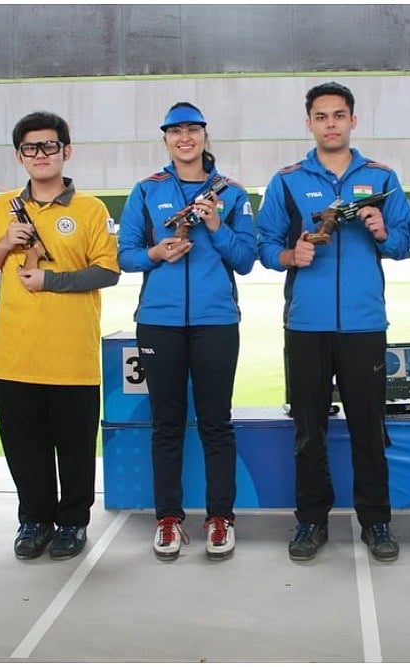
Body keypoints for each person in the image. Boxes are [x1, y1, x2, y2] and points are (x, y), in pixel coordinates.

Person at [256, 82, 410, 562]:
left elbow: (406, 242)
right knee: (309, 431)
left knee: (369, 429)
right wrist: (291, 255)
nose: (331, 124)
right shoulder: (286, 180)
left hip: (365, 324)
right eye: (321, 116)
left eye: (339, 115)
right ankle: (311, 520)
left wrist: (383, 232)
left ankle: (377, 521)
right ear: (309, 124)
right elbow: (264, 245)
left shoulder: (382, 177)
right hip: (307, 325)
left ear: (353, 121)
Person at [0, 111, 120, 561]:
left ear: (66, 151)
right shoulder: (2, 207)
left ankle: (73, 522)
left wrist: (50, 280)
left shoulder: (90, 209)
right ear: (19, 156)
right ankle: (34, 520)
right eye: (31, 148)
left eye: (49, 146)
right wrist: (5, 242)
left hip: (71, 355)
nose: (40, 154)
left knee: (74, 449)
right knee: (24, 448)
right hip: (15, 353)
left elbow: (108, 271)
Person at [117, 102, 256, 561]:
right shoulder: (146, 190)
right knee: (167, 424)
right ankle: (168, 518)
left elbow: (246, 260)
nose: (185, 138)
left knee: (216, 423)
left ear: (204, 135)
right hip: (159, 321)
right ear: (165, 140)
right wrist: (156, 254)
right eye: (175, 131)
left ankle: (220, 518)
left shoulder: (232, 193)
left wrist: (215, 226)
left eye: (192, 130)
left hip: (216, 321)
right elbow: (126, 255)